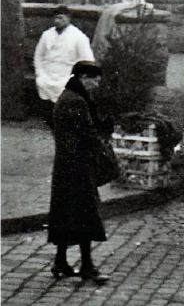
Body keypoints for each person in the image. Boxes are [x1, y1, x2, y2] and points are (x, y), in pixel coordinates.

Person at [48, 61, 111, 284]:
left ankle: (61, 262)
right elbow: (88, 133)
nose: (96, 84)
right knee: (86, 216)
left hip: (67, 166)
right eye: (94, 80)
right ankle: (87, 266)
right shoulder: (76, 101)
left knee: (66, 214)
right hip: (78, 167)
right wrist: (106, 154)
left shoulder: (69, 97)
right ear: (83, 77)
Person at [34, 5, 95, 127]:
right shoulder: (47, 35)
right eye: (55, 18)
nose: (57, 21)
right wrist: (40, 74)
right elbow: (38, 56)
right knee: (47, 105)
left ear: (68, 18)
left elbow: (87, 61)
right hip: (47, 75)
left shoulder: (79, 37)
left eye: (61, 18)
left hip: (67, 76)